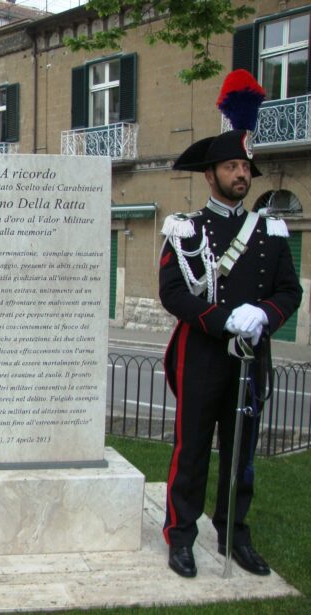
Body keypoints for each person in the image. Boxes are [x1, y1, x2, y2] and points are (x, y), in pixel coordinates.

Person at [159, 98, 302, 576]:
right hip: (201, 354)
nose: (241, 174)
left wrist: (262, 314)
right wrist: (222, 319)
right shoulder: (186, 229)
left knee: (242, 453)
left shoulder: (272, 230)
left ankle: (234, 533)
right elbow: (173, 292)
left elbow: (289, 290)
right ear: (210, 175)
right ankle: (180, 535)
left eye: (244, 166)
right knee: (192, 450)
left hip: (248, 359)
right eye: (231, 165)